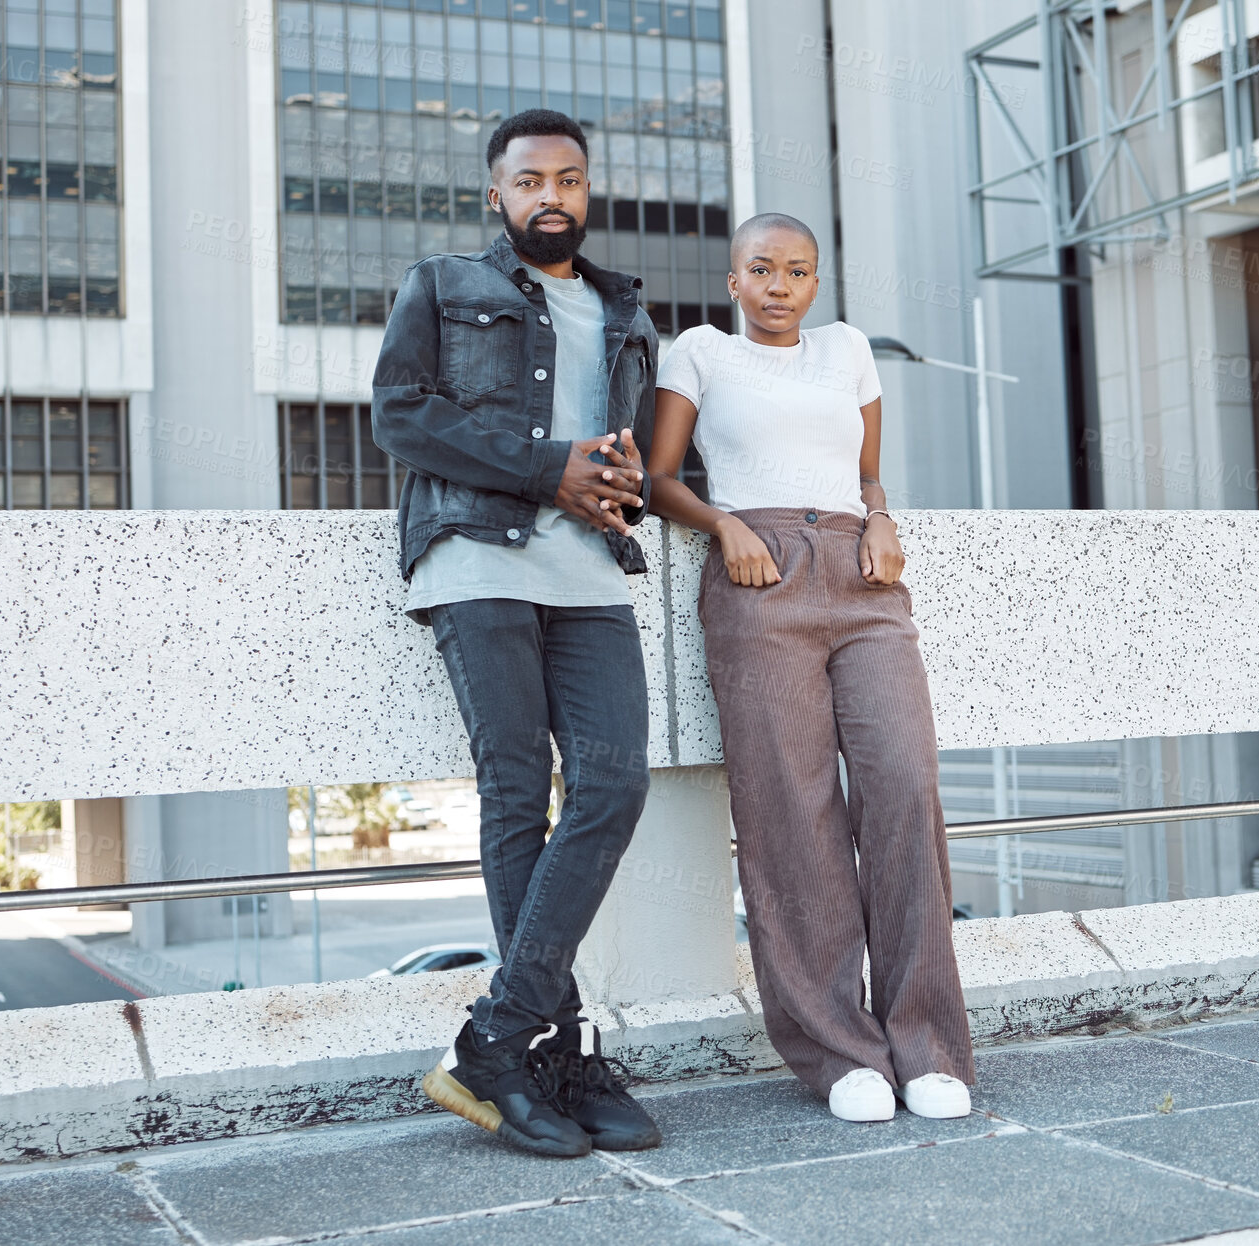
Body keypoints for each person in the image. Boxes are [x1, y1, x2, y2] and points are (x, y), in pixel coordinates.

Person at [371, 109, 662, 1158]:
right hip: (477, 558)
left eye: (569, 179)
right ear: (495, 194)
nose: (552, 194)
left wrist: (628, 489)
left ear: (588, 193)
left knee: (613, 783)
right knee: (515, 794)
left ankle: (497, 1039)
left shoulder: (626, 311)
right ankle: (558, 1046)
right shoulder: (442, 285)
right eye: (529, 179)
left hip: (588, 574)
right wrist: (549, 467)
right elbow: (398, 414)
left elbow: (637, 457)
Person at [646, 212, 976, 1123]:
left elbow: (867, 471)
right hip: (760, 579)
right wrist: (726, 526)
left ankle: (928, 1044)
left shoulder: (847, 351)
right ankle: (841, 1055)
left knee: (905, 783)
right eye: (762, 269)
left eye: (796, 271)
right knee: (791, 811)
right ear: (733, 280)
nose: (780, 285)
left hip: (863, 578)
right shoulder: (700, 353)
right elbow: (660, 477)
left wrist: (881, 516)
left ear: (816, 283)